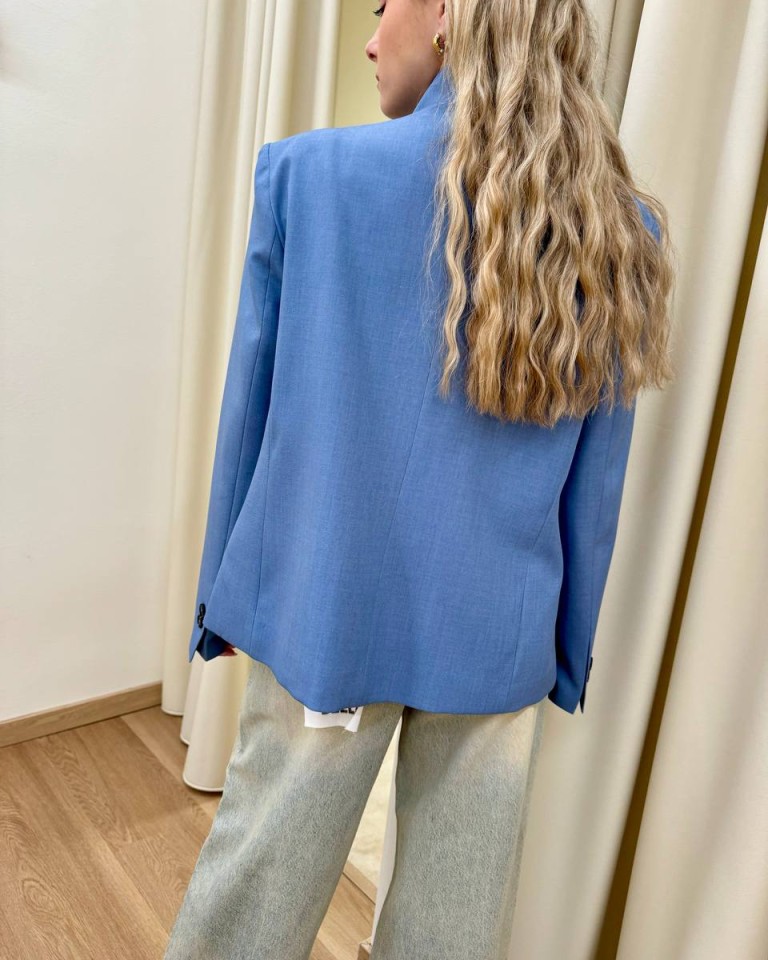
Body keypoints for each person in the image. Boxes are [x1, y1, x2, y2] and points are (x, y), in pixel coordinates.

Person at [164, 1, 675, 957]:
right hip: (500, 635)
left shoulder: (309, 179)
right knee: (453, 930)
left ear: (446, 12)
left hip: (324, 617)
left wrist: (224, 601)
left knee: (254, 896)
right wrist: (564, 652)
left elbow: (252, 411)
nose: (370, 37)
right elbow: (594, 489)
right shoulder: (615, 224)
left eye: (381, 5)